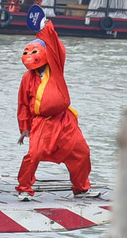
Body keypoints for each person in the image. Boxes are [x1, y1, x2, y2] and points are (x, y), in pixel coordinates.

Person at [16, 17, 95, 201]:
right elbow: (23, 105)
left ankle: (81, 188)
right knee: (33, 154)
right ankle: (24, 188)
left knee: (81, 152)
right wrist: (24, 128)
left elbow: (55, 46)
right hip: (42, 123)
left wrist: (45, 26)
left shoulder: (55, 67)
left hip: (64, 120)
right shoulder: (27, 78)